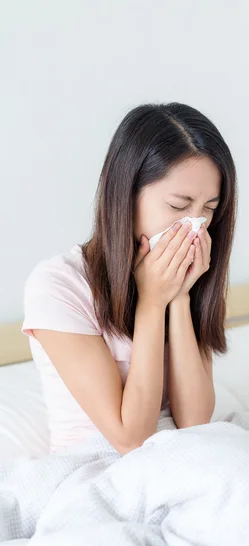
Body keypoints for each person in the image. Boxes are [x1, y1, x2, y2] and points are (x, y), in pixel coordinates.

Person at [22, 103, 237, 454]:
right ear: (125, 194)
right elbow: (132, 439)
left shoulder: (194, 276)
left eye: (209, 209)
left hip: (187, 456)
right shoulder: (57, 285)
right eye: (179, 206)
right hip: (98, 466)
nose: (194, 228)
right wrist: (151, 304)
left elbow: (196, 423)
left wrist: (179, 298)